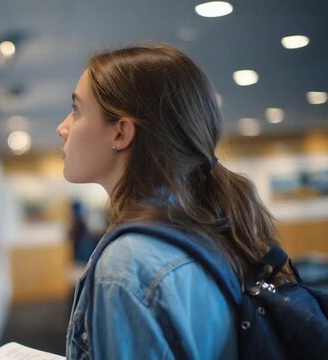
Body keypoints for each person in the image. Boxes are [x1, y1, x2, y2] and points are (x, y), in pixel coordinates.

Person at [56, 44, 296, 359]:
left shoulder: (128, 265)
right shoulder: (212, 226)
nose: (63, 128)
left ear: (121, 133)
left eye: (77, 110)